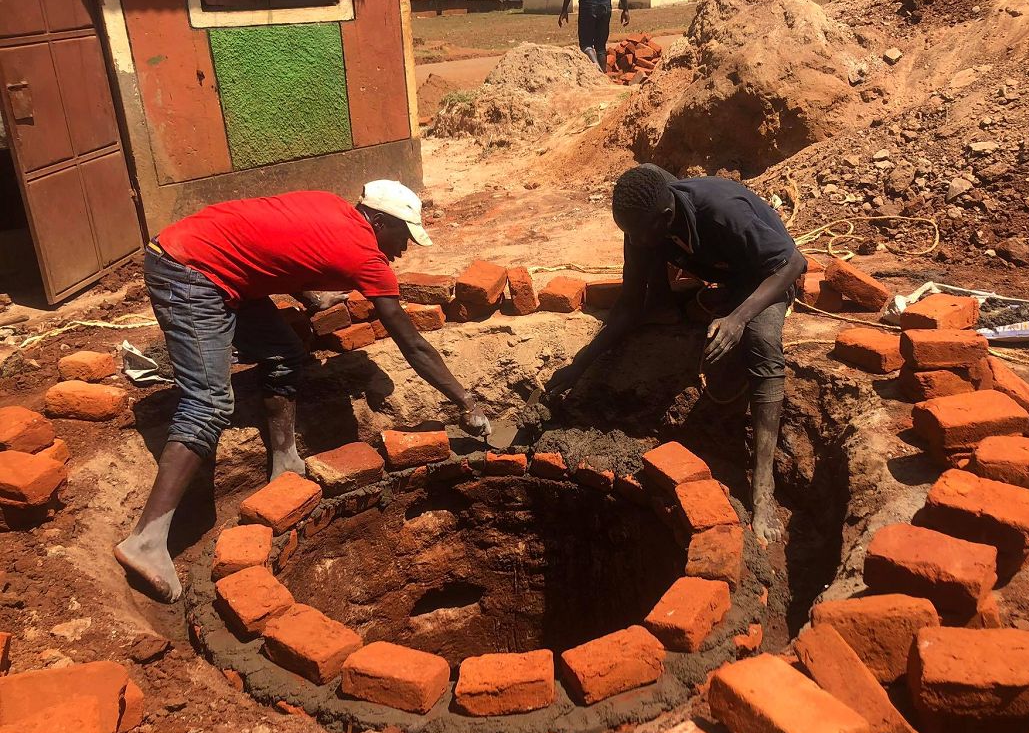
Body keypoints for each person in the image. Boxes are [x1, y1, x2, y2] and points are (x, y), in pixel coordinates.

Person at [115, 182, 491, 603]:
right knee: (209, 403)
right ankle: (145, 541)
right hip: (190, 272)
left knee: (284, 354)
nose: (405, 249)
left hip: (211, 256)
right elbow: (413, 344)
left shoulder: (330, 205)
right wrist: (465, 400)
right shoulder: (367, 257)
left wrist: (312, 296)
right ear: (379, 222)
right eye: (403, 236)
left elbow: (282, 248)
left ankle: (286, 460)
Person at [547, 164, 807, 543]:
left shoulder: (723, 210)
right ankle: (714, 304)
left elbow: (793, 262)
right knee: (662, 310)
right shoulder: (641, 226)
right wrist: (578, 366)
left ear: (665, 217)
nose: (633, 241)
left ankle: (763, 488)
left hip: (766, 275)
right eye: (628, 233)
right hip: (724, 275)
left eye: (638, 233)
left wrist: (737, 319)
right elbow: (630, 304)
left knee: (761, 343)